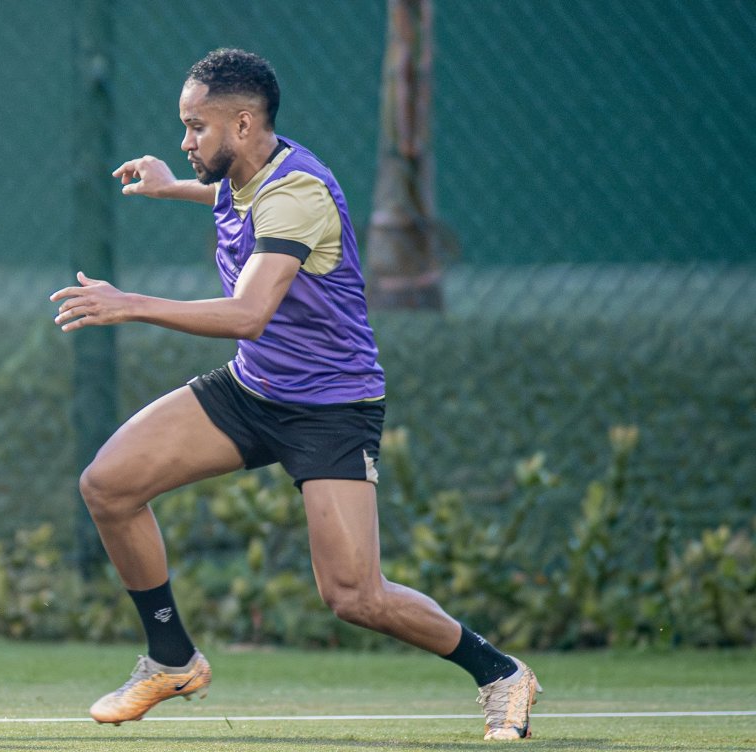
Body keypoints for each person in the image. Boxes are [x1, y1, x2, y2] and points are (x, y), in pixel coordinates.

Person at [50, 48, 541, 741]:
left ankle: (501, 674)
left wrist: (129, 303)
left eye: (196, 128)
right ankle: (171, 658)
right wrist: (172, 188)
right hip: (254, 389)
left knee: (354, 597)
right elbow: (233, 199)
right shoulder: (249, 174)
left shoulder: (298, 194)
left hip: (330, 409)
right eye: (184, 127)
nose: (185, 142)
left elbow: (248, 313)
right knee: (109, 485)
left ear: (244, 125)